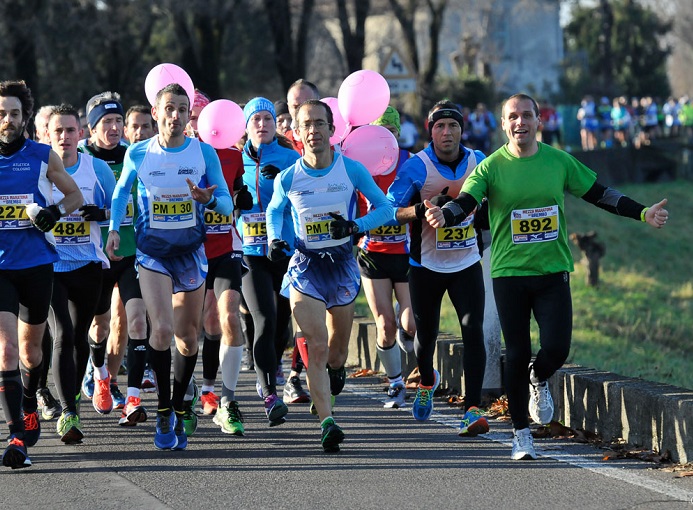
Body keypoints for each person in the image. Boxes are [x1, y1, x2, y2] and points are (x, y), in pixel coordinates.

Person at [426, 93, 669, 460]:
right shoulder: (490, 167)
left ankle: (539, 377)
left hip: (553, 270)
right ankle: (521, 434)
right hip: (509, 273)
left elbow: (600, 194)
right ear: (504, 124)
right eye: (513, 117)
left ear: (539, 122)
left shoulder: (558, 161)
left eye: (527, 116)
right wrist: (447, 214)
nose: (520, 122)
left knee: (556, 348)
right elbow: (469, 200)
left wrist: (643, 212)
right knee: (518, 350)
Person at [106, 83, 233, 450]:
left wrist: (209, 200)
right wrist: (115, 229)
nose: (176, 116)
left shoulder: (203, 153)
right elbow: (120, 192)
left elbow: (226, 204)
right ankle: (163, 410)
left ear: (188, 115)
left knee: (187, 337)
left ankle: (178, 405)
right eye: (169, 108)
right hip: (152, 254)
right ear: (156, 112)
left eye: (182, 109)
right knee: (159, 330)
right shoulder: (139, 153)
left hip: (191, 253)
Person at [265, 99, 393, 452]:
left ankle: (333, 377)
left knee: (336, 354)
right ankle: (327, 423)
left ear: (332, 130)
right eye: (306, 125)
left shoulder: (350, 170)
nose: (313, 131)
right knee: (317, 346)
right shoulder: (288, 177)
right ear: (296, 134)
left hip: (341, 268)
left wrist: (356, 226)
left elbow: (385, 209)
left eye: (320, 123)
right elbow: (274, 212)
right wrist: (276, 240)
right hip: (305, 268)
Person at [387, 100, 489, 437]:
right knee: (425, 333)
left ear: (462, 130)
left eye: (453, 126)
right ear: (430, 130)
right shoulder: (416, 167)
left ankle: (471, 409)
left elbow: (495, 199)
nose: (447, 132)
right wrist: (418, 210)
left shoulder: (479, 162)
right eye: (440, 126)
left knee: (472, 330)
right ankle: (427, 379)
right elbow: (391, 211)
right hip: (425, 264)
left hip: (466, 262)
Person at [0, 80, 83, 469]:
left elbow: (74, 196)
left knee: (32, 352)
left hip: (35, 264)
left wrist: (54, 214)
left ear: (25, 117)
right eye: (2, 113)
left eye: (15, 113)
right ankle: (17, 436)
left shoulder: (42, 155)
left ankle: (30, 400)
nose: (8, 120)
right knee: (6, 350)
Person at [47, 104, 116, 442]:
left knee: (78, 338)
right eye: (57, 131)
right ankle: (68, 413)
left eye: (70, 130)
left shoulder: (97, 169)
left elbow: (119, 211)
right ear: (47, 135)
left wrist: (99, 213)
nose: (64, 137)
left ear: (81, 134)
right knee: (62, 333)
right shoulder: (37, 170)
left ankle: (71, 397)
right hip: (50, 265)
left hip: (88, 264)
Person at [187, 90, 252, 434]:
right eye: (192, 117)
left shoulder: (232, 155)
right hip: (188, 251)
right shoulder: (177, 157)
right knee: (194, 326)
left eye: (201, 117)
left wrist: (242, 197)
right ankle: (189, 389)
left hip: (226, 248)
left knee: (226, 318)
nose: (197, 124)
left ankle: (224, 400)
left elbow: (238, 198)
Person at [238, 97, 300, 426]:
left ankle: (274, 364)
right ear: (246, 126)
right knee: (264, 317)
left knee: (282, 324)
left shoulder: (291, 158)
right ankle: (269, 392)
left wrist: (284, 188)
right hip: (250, 253)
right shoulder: (234, 161)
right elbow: (219, 201)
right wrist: (235, 201)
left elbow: (304, 201)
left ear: (276, 125)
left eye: (267, 119)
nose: (262, 124)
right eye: (255, 119)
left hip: (284, 250)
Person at [82, 92, 144, 413]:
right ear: (92, 128)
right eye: (107, 121)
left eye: (119, 120)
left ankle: (121, 389)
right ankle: (99, 373)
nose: (115, 126)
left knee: (131, 321)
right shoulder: (79, 158)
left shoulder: (135, 155)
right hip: (95, 255)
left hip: (132, 252)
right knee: (101, 325)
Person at [358, 106, 415, 409]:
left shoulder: (410, 161)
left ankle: (407, 326)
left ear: (398, 133)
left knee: (410, 323)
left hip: (405, 253)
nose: (386, 140)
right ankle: (395, 382)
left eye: (391, 133)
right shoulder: (360, 164)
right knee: (384, 324)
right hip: (373, 253)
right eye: (379, 134)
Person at [285, 79, 320, 153]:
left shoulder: (336, 143)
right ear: (289, 108)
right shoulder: (282, 144)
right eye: (295, 107)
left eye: (307, 105)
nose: (301, 111)